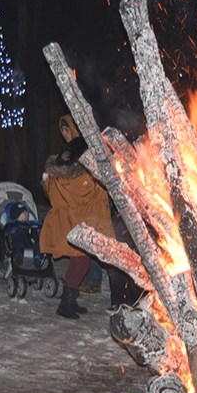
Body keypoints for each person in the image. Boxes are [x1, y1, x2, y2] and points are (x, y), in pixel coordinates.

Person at [40, 114, 114, 319]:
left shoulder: (79, 150)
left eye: (67, 128)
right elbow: (70, 186)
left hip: (81, 217)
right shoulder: (71, 153)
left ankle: (71, 299)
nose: (64, 133)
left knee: (80, 261)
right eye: (62, 129)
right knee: (80, 261)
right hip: (74, 218)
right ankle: (66, 303)